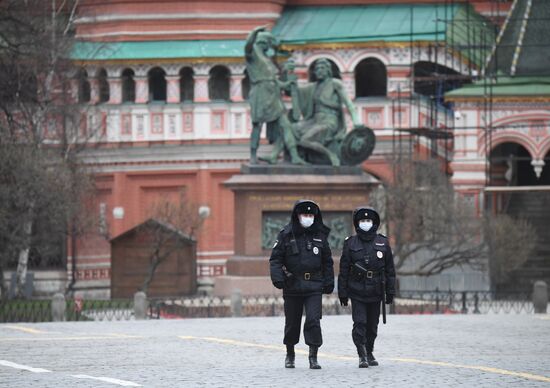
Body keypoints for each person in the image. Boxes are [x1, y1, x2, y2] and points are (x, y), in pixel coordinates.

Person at [269, 199, 334, 369]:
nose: (308, 218)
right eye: (305, 215)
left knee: (313, 320)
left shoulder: (320, 236)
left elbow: (327, 261)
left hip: (313, 285)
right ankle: (290, 353)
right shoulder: (286, 234)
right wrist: (278, 278)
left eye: (311, 215)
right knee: (292, 323)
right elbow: (275, 259)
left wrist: (328, 281)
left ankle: (313, 356)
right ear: (297, 216)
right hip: (292, 284)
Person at [338, 207, 396, 368]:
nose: (365, 223)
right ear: (357, 223)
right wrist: (342, 292)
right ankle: (361, 354)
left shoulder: (382, 242)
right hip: (357, 290)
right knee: (360, 323)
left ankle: (369, 350)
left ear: (374, 223)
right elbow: (343, 270)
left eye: (368, 221)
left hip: (376, 290)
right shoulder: (350, 243)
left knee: (372, 325)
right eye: (362, 221)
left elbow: (390, 270)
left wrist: (390, 291)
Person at [244, 26, 306, 165]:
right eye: (269, 44)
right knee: (257, 126)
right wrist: (255, 32)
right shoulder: (252, 53)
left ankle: (294, 155)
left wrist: (285, 85)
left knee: (285, 124)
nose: (270, 47)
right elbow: (248, 45)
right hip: (260, 93)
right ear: (264, 42)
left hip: (273, 94)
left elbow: (273, 80)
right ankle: (253, 154)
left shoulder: (266, 58)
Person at [292, 58, 363, 166]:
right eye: (317, 69)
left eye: (322, 68)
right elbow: (296, 91)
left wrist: (356, 121)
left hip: (329, 121)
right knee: (291, 129)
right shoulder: (313, 87)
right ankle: (298, 157)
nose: (319, 71)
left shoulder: (335, 83)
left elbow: (348, 103)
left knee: (305, 140)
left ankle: (330, 155)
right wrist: (287, 81)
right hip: (313, 120)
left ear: (328, 70)